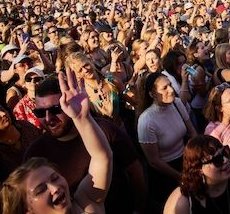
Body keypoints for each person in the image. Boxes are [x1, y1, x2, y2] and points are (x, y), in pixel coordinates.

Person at [25, 75, 146, 214]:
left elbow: (134, 170)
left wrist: (139, 209)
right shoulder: (34, 154)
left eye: (56, 109)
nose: (48, 118)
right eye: (40, 112)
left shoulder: (106, 131)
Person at [0, 68, 113, 214]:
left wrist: (81, 119)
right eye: (41, 190)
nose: (55, 188)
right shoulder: (35, 149)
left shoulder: (86, 204)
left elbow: (102, 157)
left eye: (55, 178)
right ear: (27, 209)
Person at [137, 72, 197, 207]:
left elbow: (192, 132)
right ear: (152, 94)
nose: (171, 90)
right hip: (165, 173)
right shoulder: (146, 121)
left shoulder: (176, 103)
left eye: (170, 85)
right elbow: (154, 161)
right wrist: (179, 176)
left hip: (186, 161)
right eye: (164, 88)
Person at [163, 135, 230, 214]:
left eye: (225, 152)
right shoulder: (182, 203)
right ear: (199, 169)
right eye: (217, 160)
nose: (226, 160)